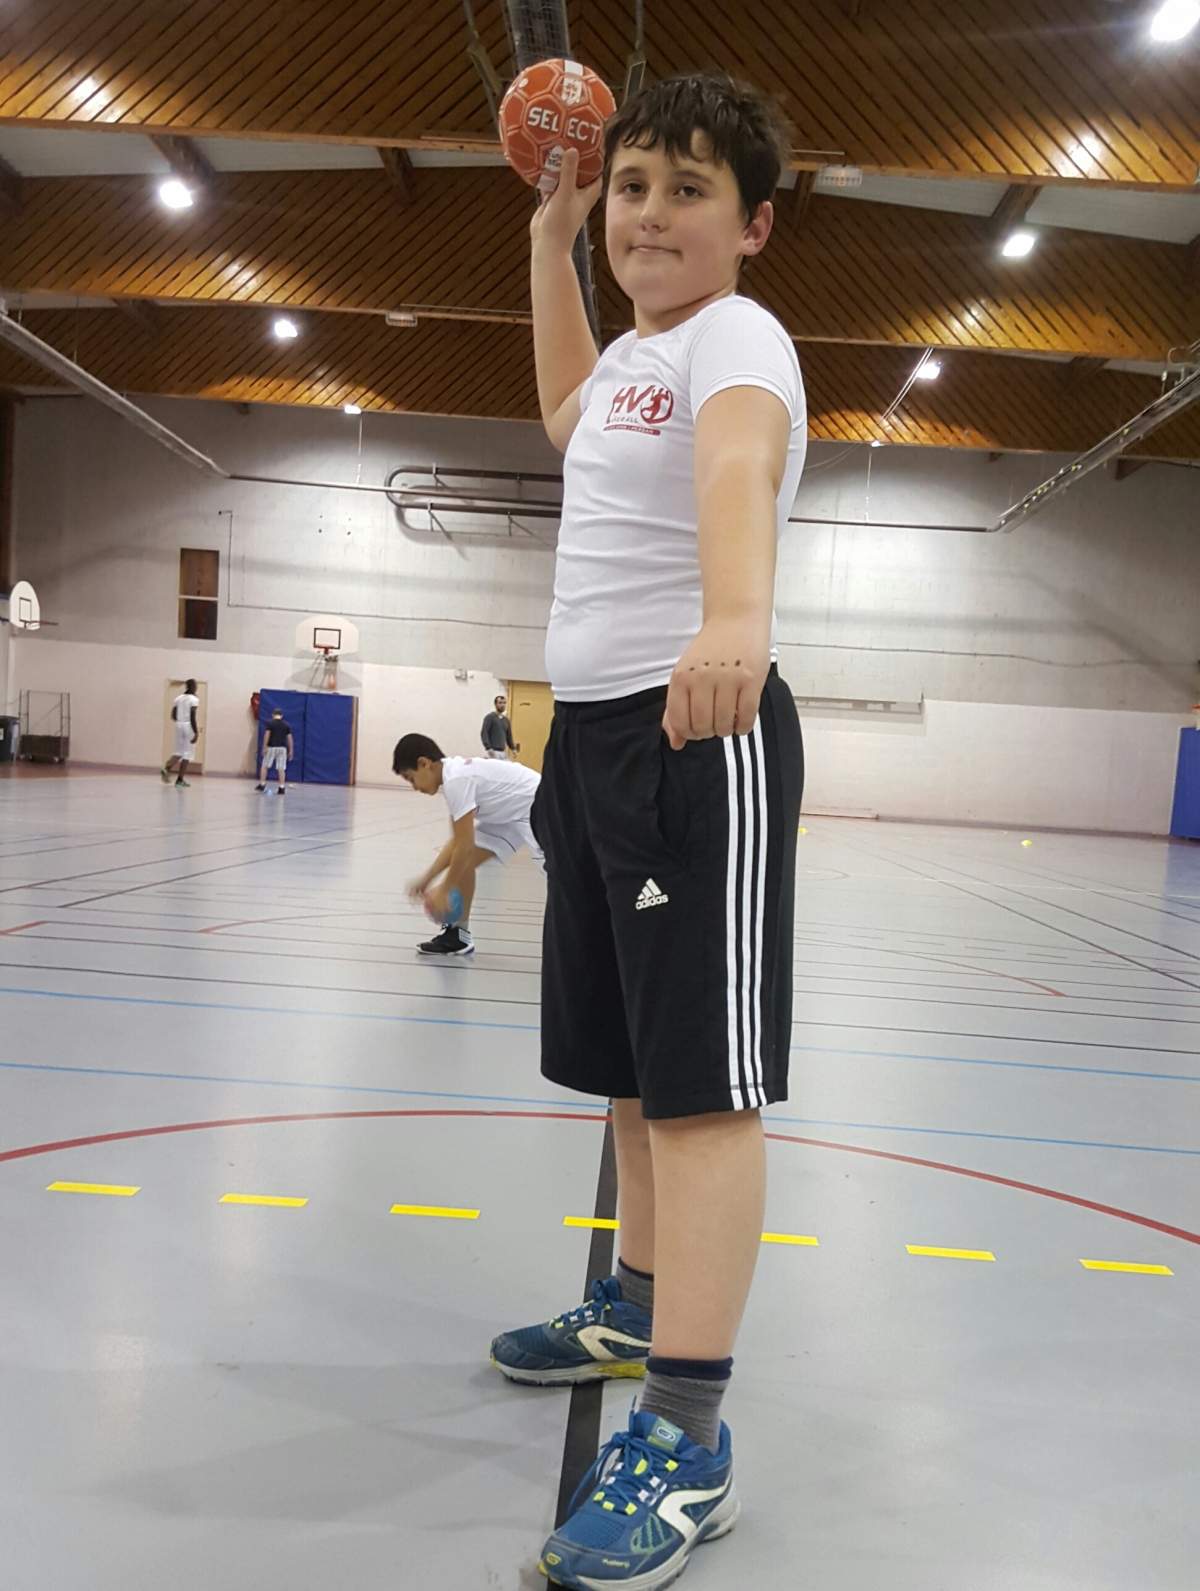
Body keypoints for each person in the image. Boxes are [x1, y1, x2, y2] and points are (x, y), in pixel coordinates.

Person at [488, 74, 806, 1590]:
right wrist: (550, 243)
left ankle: (688, 1436)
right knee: (622, 1065)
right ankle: (631, 1296)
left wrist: (736, 616)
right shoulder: (631, 357)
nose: (651, 214)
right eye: (630, 188)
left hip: (694, 727)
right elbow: (562, 417)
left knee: (697, 1090)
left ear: (751, 222)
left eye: (687, 189)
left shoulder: (737, 339)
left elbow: (738, 460)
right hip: (595, 737)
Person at [393, 732, 542, 957]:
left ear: (424, 764)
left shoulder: (456, 780)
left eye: (410, 778)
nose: (414, 787)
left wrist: (445, 888)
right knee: (462, 864)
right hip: (506, 815)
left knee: (561, 878)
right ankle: (457, 936)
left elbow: (464, 846)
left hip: (536, 805)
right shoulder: (453, 777)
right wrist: (427, 879)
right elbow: (458, 843)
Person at [160, 678, 200, 787]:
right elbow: (192, 716)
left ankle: (166, 768)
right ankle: (180, 780)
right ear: (192, 687)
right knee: (187, 754)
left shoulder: (178, 698)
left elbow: (173, 715)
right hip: (188, 726)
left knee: (178, 751)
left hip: (178, 725)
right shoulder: (194, 699)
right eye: (196, 686)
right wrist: (196, 732)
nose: (196, 688)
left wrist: (180, 722)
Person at [255, 708, 294, 795]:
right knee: (281, 768)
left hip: (271, 747)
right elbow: (290, 738)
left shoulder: (270, 723)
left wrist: (264, 747)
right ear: (281, 716)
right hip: (282, 748)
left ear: (273, 715)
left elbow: (267, 735)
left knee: (265, 766)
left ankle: (262, 784)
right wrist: (291, 750)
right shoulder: (286, 725)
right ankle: (281, 787)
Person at [480, 693, 519, 759]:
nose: (502, 705)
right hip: (492, 751)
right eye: (500, 703)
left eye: (504, 703)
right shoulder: (490, 717)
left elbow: (509, 736)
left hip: (502, 752)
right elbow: (484, 733)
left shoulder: (506, 720)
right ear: (495, 704)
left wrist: (513, 749)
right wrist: (488, 747)